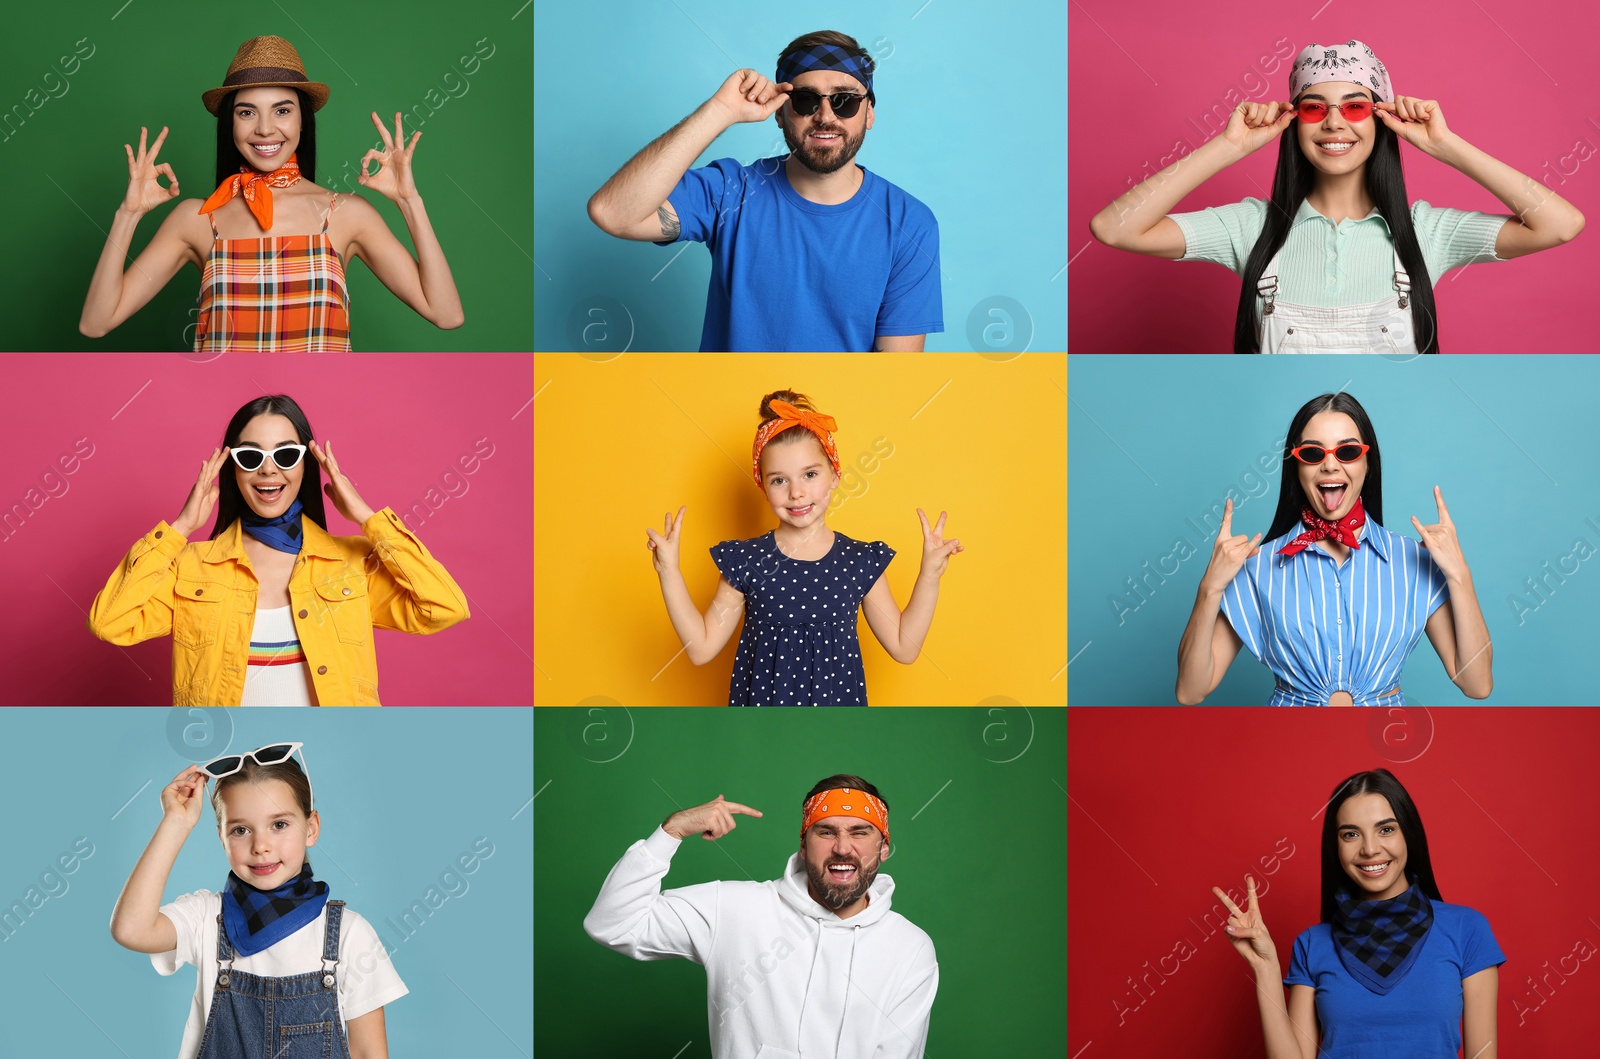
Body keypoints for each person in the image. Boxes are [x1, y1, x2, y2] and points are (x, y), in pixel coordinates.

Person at [1090, 40, 1584, 353]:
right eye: (1313, 108)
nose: (1334, 122)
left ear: (1380, 119)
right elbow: (1115, 228)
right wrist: (1227, 147)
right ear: (1294, 121)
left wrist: (1444, 145)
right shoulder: (1250, 227)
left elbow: (1560, 224)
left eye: (1354, 106)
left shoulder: (1425, 232)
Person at [80, 35, 464, 351]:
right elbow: (96, 323)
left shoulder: (347, 213)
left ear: (302, 120)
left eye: (282, 111)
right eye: (247, 112)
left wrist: (409, 202)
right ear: (230, 122)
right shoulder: (196, 218)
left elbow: (445, 314)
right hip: (227, 420)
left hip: (316, 419)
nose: (265, 129)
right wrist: (128, 214)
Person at [87, 394, 470, 705]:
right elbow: (110, 623)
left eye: (285, 455)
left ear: (305, 465)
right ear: (232, 469)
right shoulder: (190, 566)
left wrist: (368, 518)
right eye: (251, 457)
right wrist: (180, 528)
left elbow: (444, 608)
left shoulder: (352, 562)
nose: (268, 470)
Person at [587, 30, 943, 352]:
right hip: (725, 419)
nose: (824, 115)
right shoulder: (731, 191)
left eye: (845, 100)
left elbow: (894, 376)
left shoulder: (909, 223)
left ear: (868, 113)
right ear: (780, 112)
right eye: (805, 100)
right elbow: (612, 213)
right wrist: (720, 111)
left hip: (837, 424)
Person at [645, 389, 963, 705]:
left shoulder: (859, 562)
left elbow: (904, 647)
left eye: (810, 474)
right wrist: (669, 571)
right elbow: (701, 648)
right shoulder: (746, 561)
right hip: (764, 734)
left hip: (836, 735)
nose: (797, 493)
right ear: (763, 485)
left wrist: (930, 575)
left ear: (835, 474)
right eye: (779, 480)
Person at [584, 776, 938, 1058]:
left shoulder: (910, 948)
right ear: (803, 844)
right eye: (826, 831)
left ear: (884, 848)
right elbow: (614, 924)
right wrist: (671, 831)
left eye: (860, 832)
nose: (842, 847)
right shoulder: (734, 908)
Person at [1175, 391, 1491, 704]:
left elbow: (1476, 684)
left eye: (1347, 452)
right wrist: (1210, 588)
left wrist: (1459, 574)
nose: (1329, 465)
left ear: (1368, 463)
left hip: (1382, 746)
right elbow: (1190, 691)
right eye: (1313, 454)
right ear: (1296, 468)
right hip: (1289, 748)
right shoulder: (1257, 567)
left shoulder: (1413, 561)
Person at [110, 744, 405, 1058]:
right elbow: (131, 929)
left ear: (311, 827)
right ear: (221, 837)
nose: (261, 845)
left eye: (279, 825)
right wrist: (176, 823)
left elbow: (368, 1053)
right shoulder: (207, 918)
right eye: (240, 830)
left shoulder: (349, 934)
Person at [1210, 768, 1503, 1058]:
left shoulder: (1466, 930)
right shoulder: (1312, 944)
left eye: (1386, 829)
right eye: (1351, 834)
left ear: (1408, 835)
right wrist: (1266, 968)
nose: (1370, 849)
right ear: (1336, 847)